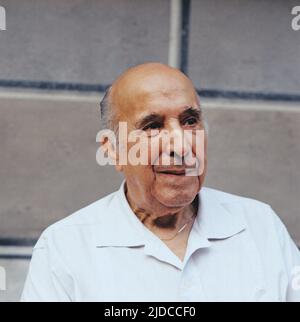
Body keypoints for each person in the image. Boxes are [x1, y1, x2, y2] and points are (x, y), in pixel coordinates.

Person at [22, 63, 300, 301]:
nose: (180, 145)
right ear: (113, 150)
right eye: (152, 126)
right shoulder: (65, 247)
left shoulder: (259, 225)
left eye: (190, 121)